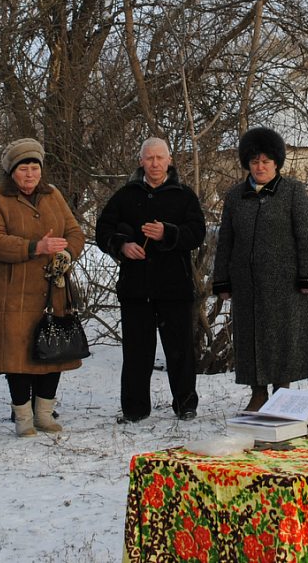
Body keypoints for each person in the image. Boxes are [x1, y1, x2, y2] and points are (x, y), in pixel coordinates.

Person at [212, 127, 308, 412]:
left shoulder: (293, 192)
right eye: (254, 162)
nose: (259, 167)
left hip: (285, 283)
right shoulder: (236, 197)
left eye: (265, 161)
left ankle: (282, 393)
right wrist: (222, 280)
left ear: (276, 162)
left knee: (283, 337)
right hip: (247, 283)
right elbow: (225, 239)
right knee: (251, 339)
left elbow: (307, 236)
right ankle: (257, 392)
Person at [0, 139, 86, 436]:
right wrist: (34, 246)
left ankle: (44, 413)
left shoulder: (53, 195)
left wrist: (66, 253)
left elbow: (75, 232)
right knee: (17, 355)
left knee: (53, 351)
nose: (30, 174)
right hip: (13, 291)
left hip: (53, 289)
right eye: (23, 168)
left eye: (34, 168)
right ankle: (23, 417)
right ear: (12, 172)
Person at [95, 138, 205, 423]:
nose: (155, 164)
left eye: (159, 158)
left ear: (169, 160)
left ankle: (186, 405)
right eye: (149, 158)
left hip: (175, 286)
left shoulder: (184, 195)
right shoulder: (125, 195)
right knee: (136, 352)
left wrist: (167, 233)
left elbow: (197, 233)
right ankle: (134, 409)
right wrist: (122, 246)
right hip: (136, 287)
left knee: (180, 350)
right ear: (141, 161)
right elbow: (103, 230)